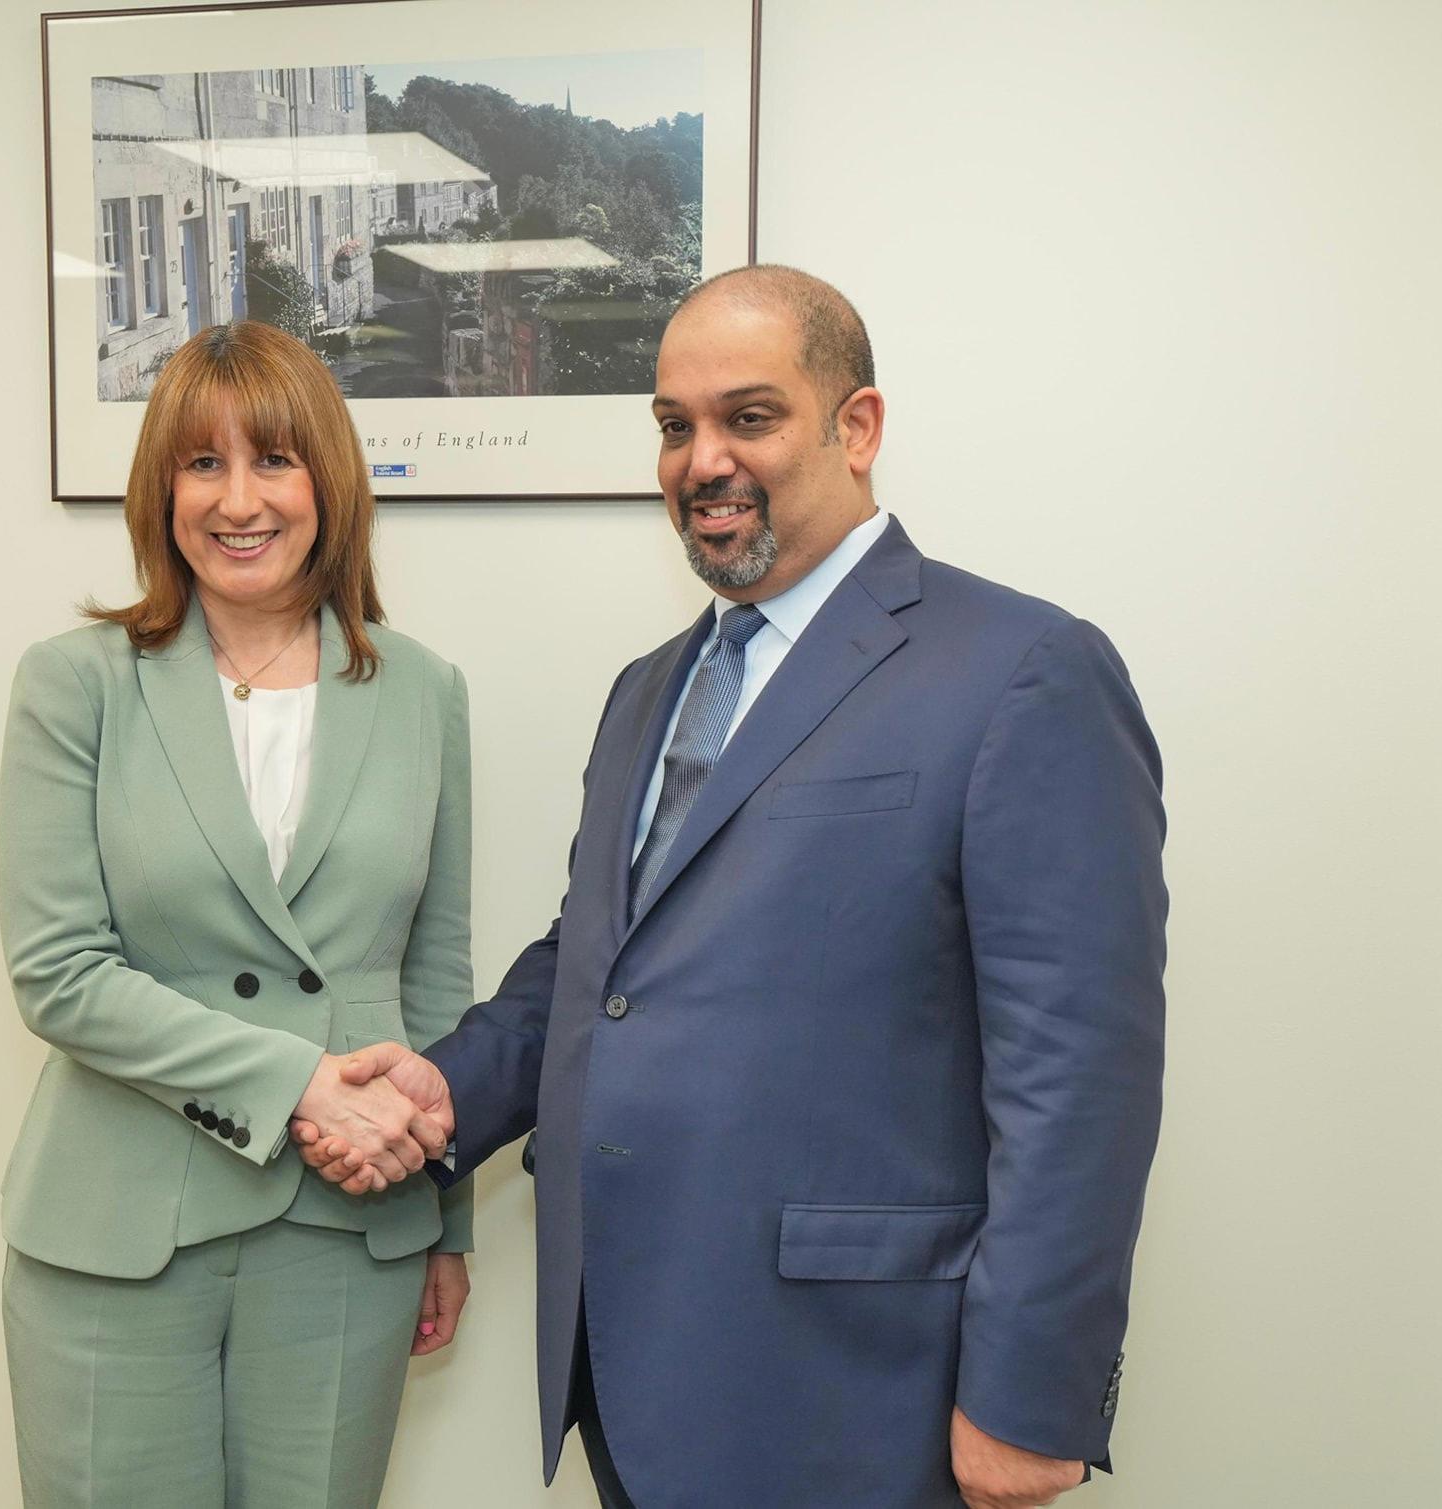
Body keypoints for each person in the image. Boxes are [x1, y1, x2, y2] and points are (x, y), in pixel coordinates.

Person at [296, 266, 1168, 1509]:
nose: (702, 461)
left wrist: (1032, 1395)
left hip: (863, 1393)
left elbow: (1080, 1075)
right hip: (629, 1365)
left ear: (856, 427)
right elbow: (601, 964)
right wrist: (449, 1091)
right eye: (674, 425)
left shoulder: (1024, 669)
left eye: (748, 418)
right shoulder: (651, 687)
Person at [0, 319, 474, 1508]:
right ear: (162, 491)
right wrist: (301, 1083)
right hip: (119, 1230)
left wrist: (446, 1218)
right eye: (202, 463)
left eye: (273, 460)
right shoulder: (75, 683)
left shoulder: (424, 691)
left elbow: (434, 975)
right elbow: (59, 971)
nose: (238, 499)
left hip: (351, 1228)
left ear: (329, 482)